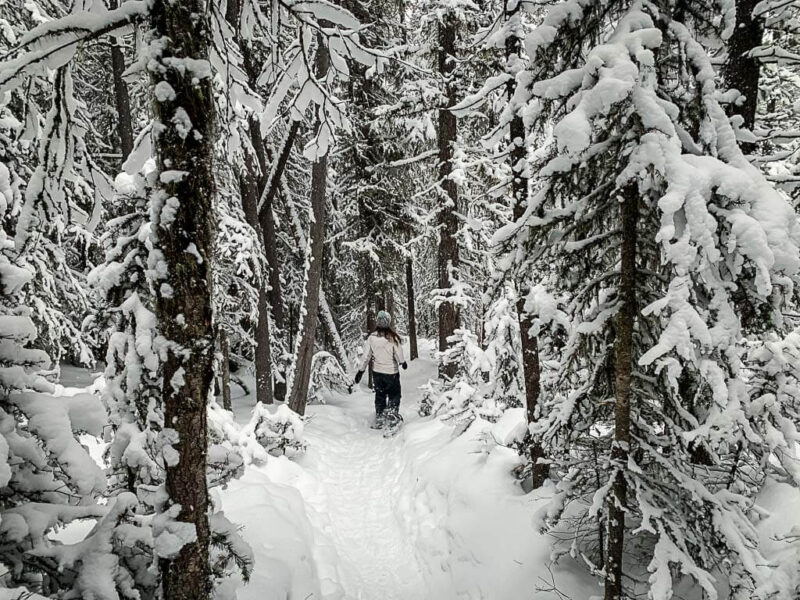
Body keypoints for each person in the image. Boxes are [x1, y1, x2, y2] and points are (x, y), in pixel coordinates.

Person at [354, 310, 407, 428]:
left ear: (378, 322)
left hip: (377, 373)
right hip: (391, 373)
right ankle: (392, 416)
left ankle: (380, 417)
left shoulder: (371, 338)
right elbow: (398, 355)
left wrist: (360, 371)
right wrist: (402, 362)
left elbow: (366, 356)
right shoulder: (393, 338)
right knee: (394, 394)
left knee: (380, 395)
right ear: (388, 322)